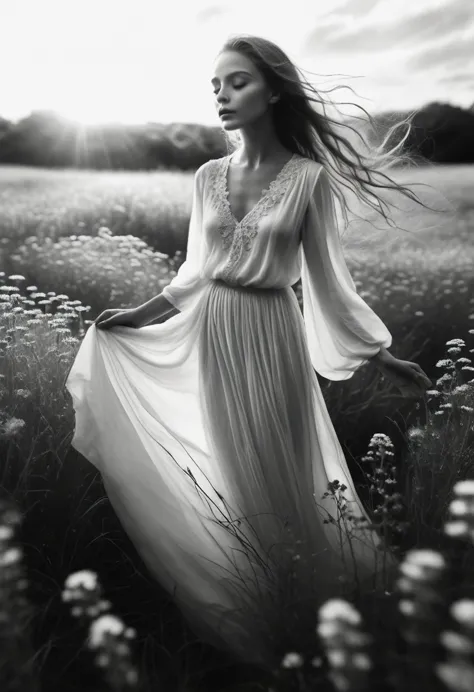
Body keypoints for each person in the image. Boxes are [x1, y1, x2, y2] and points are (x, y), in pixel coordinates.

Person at [65, 34, 432, 669]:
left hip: (271, 336)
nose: (222, 97)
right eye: (215, 87)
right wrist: (136, 316)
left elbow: (328, 284)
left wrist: (381, 355)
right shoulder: (208, 177)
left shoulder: (310, 181)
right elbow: (193, 274)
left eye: (237, 82)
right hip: (214, 334)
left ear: (273, 88)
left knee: (284, 469)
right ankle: (268, 603)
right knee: (235, 471)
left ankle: (321, 609)